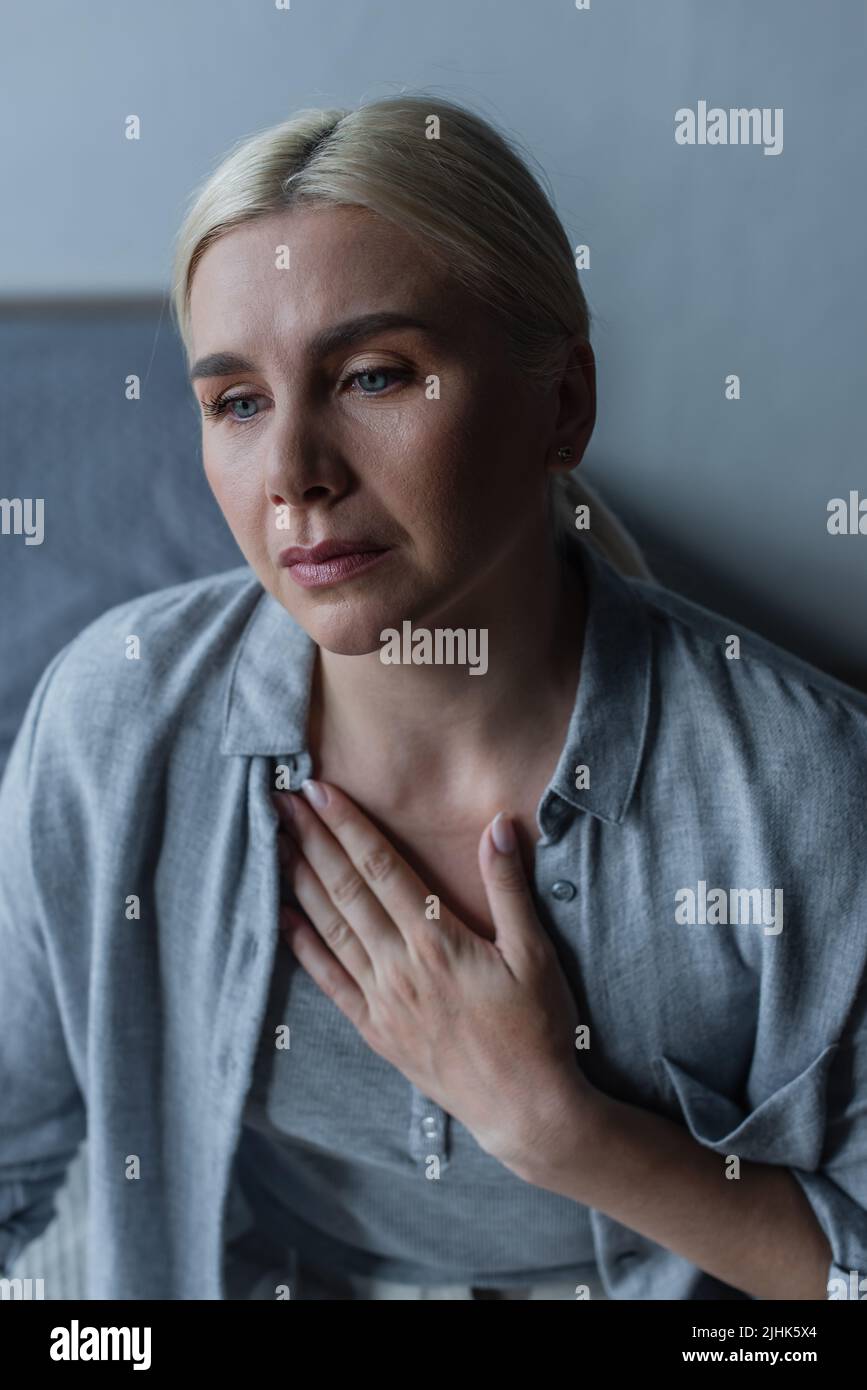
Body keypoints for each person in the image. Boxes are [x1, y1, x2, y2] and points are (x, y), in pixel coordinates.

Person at [1, 94, 866, 1301]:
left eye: (372, 376)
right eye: (237, 402)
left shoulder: (807, 794)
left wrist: (569, 1134)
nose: (296, 475)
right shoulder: (110, 726)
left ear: (561, 403)